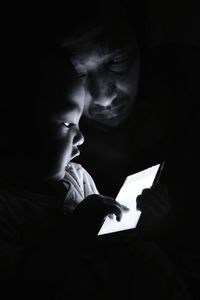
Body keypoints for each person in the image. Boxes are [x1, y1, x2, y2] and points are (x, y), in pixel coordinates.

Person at [0, 9, 194, 300]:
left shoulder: (186, 88)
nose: (103, 96)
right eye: (79, 73)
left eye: (117, 61)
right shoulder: (15, 202)